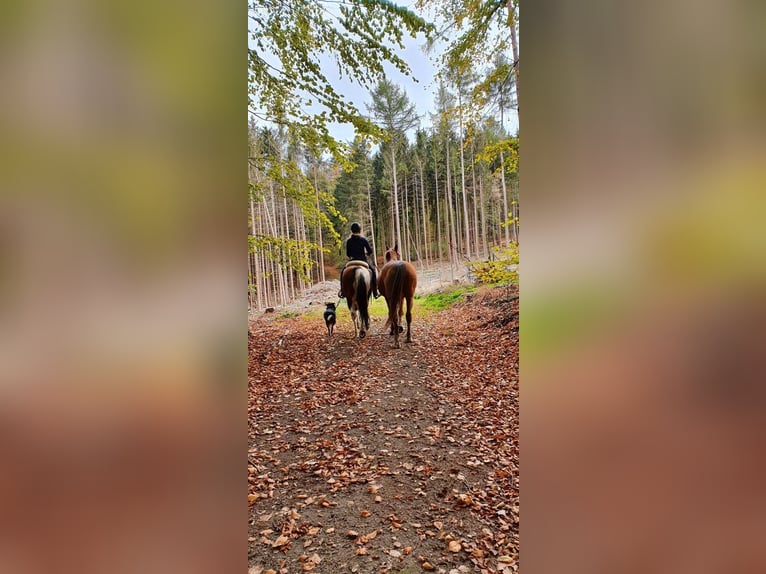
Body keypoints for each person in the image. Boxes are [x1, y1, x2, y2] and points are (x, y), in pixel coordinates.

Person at [338, 222, 379, 299]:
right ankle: (375, 292)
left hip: (352, 261)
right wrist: (366, 253)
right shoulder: (363, 240)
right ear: (360, 230)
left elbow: (348, 254)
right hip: (362, 261)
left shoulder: (349, 241)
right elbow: (370, 251)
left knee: (343, 273)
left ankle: (343, 291)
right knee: (372, 272)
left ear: (352, 230)